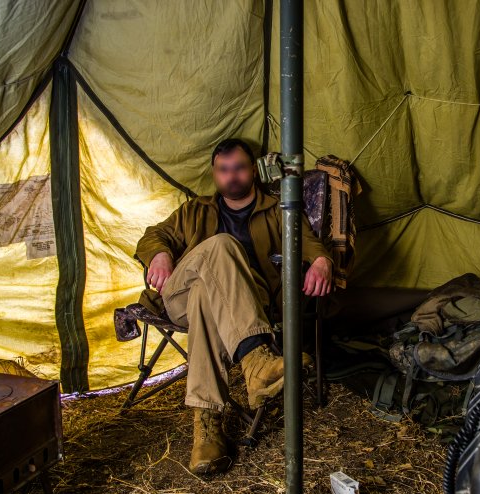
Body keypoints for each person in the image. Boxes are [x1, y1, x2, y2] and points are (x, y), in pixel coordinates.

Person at [135, 138, 333, 474]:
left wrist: (322, 262)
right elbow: (153, 235)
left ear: (252, 170)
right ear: (215, 174)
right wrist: (161, 254)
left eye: (239, 168)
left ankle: (207, 429)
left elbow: (312, 245)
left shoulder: (278, 210)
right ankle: (254, 357)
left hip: (236, 302)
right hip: (177, 299)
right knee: (219, 248)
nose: (232, 177)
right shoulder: (195, 210)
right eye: (224, 170)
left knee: (205, 297)